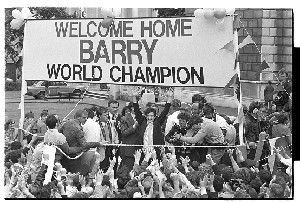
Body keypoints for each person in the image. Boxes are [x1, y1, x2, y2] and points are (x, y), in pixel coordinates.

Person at [59, 109, 104, 175]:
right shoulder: (78, 128)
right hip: (75, 156)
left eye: (86, 117)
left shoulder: (66, 124)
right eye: (84, 117)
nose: (86, 119)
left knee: (65, 175)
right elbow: (84, 145)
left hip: (64, 153)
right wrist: (98, 144)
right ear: (78, 117)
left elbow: (60, 134)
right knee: (75, 176)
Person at [132, 89, 173, 160]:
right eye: (148, 116)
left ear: (155, 116)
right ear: (145, 116)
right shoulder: (142, 121)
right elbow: (136, 110)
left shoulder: (158, 122)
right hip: (143, 151)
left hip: (155, 152)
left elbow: (165, 111)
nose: (149, 118)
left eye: (151, 116)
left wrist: (169, 98)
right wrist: (134, 97)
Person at [119, 105, 141, 171]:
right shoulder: (124, 118)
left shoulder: (141, 117)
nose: (140, 108)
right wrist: (134, 127)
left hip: (139, 150)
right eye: (138, 106)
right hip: (129, 150)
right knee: (126, 170)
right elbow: (124, 132)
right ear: (132, 108)